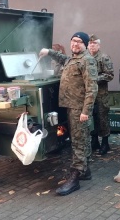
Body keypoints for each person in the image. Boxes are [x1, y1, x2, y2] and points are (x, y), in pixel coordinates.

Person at [39, 32, 98, 196]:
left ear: (85, 45)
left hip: (79, 109)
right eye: (73, 41)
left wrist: (86, 111)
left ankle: (74, 179)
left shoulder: (87, 61)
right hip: (71, 107)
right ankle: (85, 171)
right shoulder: (74, 59)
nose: (75, 44)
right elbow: (62, 59)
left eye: (79, 42)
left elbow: (92, 89)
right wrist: (48, 52)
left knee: (79, 142)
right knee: (80, 140)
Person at [88, 34, 114, 155]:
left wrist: (95, 78)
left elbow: (110, 75)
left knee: (102, 118)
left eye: (94, 44)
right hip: (89, 96)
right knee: (91, 118)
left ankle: (105, 142)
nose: (92, 46)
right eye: (90, 44)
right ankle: (94, 141)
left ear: (98, 45)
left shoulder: (104, 57)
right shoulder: (86, 57)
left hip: (101, 95)